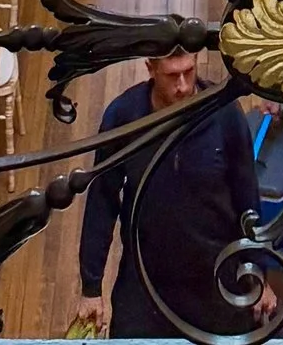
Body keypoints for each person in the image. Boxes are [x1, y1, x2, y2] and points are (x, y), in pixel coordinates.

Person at [72, 49, 261, 339]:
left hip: (214, 276)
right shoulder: (124, 117)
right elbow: (102, 201)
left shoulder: (225, 114)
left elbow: (248, 199)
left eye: (189, 72)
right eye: (172, 76)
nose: (183, 86)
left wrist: (257, 273)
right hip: (145, 278)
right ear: (150, 69)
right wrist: (91, 287)